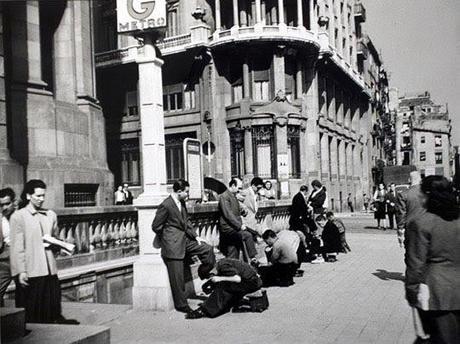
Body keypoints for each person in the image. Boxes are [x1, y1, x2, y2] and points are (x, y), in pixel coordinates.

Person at [9, 180, 78, 324]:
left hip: (50, 271)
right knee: (32, 312)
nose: (41, 199)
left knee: (51, 310)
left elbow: (56, 238)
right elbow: (17, 247)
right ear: (28, 196)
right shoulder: (18, 216)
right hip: (31, 271)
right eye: (38, 196)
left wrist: (57, 244)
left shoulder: (50, 215)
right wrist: (21, 271)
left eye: (43, 196)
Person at [404, 176, 460, 344]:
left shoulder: (421, 223)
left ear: (427, 195)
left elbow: (415, 263)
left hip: (437, 293)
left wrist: (412, 293)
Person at [151, 179, 215, 315]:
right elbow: (156, 226)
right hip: (173, 245)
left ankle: (203, 272)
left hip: (186, 241)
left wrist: (196, 237)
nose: (188, 194)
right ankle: (182, 305)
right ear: (179, 191)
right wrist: (168, 238)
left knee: (207, 249)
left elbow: (186, 222)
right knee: (177, 278)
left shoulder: (181, 202)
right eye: (186, 192)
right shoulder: (166, 205)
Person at [186, 258, 263, 319]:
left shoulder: (223, 266)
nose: (209, 279)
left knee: (223, 286)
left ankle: (205, 310)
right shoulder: (219, 265)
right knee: (225, 283)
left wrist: (219, 279)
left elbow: (237, 279)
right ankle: (225, 306)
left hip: (253, 282)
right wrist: (209, 284)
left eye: (208, 277)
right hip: (251, 281)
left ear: (211, 273)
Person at [218, 179, 258, 263]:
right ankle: (253, 259)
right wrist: (239, 225)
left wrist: (243, 211)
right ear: (232, 186)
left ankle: (243, 264)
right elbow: (228, 214)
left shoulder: (233, 196)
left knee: (234, 251)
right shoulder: (224, 196)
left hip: (234, 227)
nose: (240, 190)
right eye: (239, 188)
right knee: (247, 235)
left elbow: (236, 210)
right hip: (228, 228)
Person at [396, 171, 426, 247]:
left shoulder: (403, 194)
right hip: (427, 228)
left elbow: (401, 213)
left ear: (409, 180)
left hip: (411, 228)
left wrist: (400, 230)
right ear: (420, 180)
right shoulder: (427, 193)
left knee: (411, 253)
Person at [0, 188, 16, 305]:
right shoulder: (1, 219)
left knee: (25, 292)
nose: (4, 207)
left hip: (22, 259)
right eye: (1, 205)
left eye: (7, 203)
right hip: (4, 261)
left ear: (13, 202)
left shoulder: (22, 215)